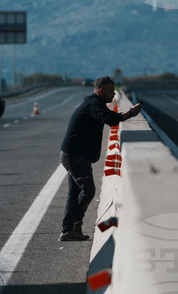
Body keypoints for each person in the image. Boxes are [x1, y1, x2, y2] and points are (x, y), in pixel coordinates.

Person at [58, 76, 142, 241]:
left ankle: (69, 230)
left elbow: (108, 116)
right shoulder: (94, 104)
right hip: (76, 156)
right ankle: (73, 224)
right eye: (111, 91)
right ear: (101, 90)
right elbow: (110, 119)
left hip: (73, 155)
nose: (114, 94)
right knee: (88, 191)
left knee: (74, 194)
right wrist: (130, 114)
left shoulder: (94, 103)